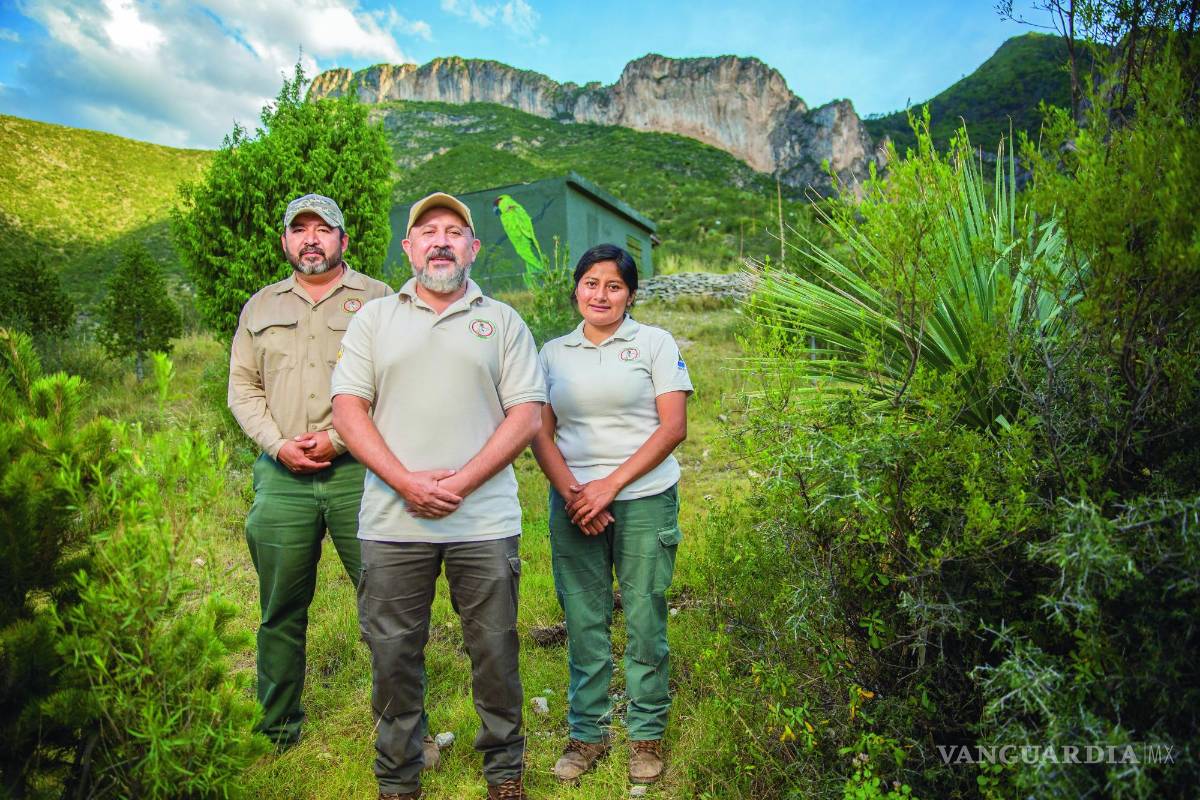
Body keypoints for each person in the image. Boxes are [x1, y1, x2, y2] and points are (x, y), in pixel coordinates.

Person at [331, 192, 545, 800]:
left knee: (495, 648)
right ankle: (399, 778)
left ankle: (505, 771)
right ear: (409, 248)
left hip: (483, 520)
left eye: (455, 231)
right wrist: (405, 481)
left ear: (474, 248)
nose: (442, 240)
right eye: (428, 231)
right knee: (394, 653)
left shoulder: (503, 321)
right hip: (393, 521)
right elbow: (348, 408)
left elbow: (527, 413)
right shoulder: (374, 319)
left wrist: (459, 482)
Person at [228, 193, 393, 750]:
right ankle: (276, 732)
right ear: (285, 242)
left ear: (344, 240)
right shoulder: (260, 307)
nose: (311, 238)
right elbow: (243, 390)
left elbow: (394, 385)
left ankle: (397, 724)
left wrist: (337, 440)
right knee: (279, 610)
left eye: (324, 229)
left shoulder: (378, 301)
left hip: (358, 472)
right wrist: (278, 446)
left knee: (383, 600)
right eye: (299, 230)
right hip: (282, 477)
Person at [530, 243, 692, 786]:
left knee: (645, 617)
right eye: (591, 283)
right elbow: (539, 430)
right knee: (584, 620)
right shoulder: (552, 352)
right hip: (573, 500)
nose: (601, 295)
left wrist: (610, 487)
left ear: (630, 294)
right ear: (575, 288)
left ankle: (646, 734)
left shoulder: (654, 343)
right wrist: (577, 492)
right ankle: (588, 733)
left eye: (614, 285)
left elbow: (672, 427)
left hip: (643, 497)